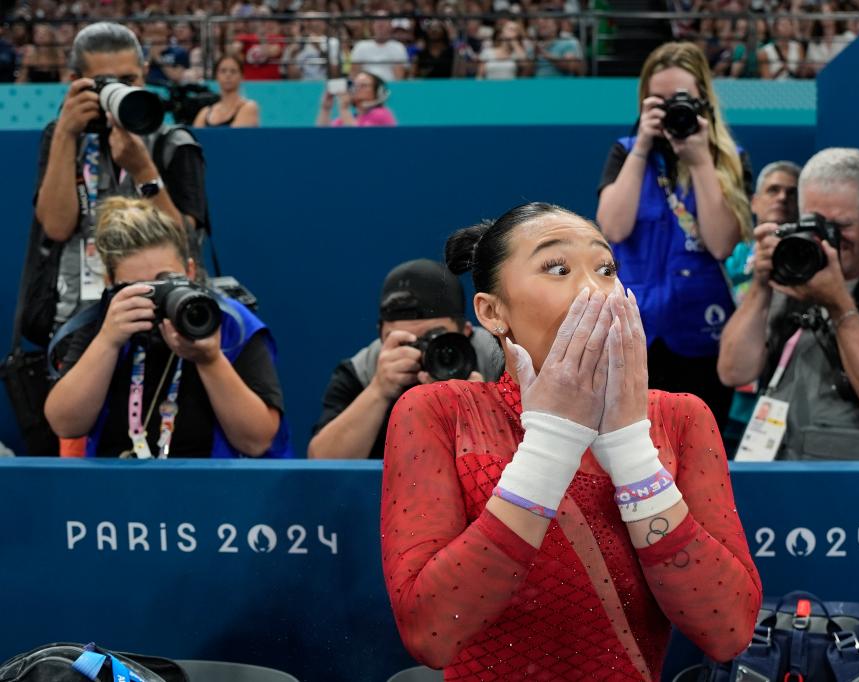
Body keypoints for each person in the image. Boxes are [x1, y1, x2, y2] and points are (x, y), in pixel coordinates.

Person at [381, 202, 761, 678]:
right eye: (557, 268)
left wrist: (630, 448)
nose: (593, 290)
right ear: (493, 312)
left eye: (606, 269)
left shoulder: (678, 418)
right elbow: (430, 631)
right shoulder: (441, 412)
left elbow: (727, 631)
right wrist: (554, 440)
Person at [717, 148, 859, 460]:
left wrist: (838, 302)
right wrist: (762, 286)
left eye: (843, 226)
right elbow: (733, 371)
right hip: (777, 473)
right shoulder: (794, 275)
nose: (829, 240)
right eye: (815, 225)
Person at [44, 197, 290, 459]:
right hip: (118, 489)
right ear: (110, 283)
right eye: (139, 288)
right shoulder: (104, 323)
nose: (156, 298)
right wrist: (108, 341)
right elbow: (65, 425)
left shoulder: (230, 323)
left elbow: (257, 441)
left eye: (166, 281)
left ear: (191, 271)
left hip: (215, 488)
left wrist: (210, 360)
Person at [23, 21, 209, 349]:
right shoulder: (62, 136)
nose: (116, 93)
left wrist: (143, 171)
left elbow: (186, 245)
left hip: (158, 322)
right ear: (74, 81)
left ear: (145, 71)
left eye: (128, 80)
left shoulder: (174, 144)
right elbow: (55, 226)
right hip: (75, 323)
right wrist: (67, 132)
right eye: (102, 83)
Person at [595, 42, 752, 430]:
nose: (669, 110)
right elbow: (612, 229)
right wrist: (643, 147)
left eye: (680, 99)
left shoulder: (728, 159)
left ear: (703, 101)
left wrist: (699, 161)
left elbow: (721, 244)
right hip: (635, 334)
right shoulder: (626, 151)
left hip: (702, 333)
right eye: (657, 101)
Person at [308, 259, 503, 460]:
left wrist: (482, 411)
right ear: (382, 336)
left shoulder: (499, 360)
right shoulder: (362, 371)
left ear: (466, 331)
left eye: (435, 339)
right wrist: (378, 391)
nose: (422, 353)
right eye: (406, 343)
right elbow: (322, 463)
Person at [721, 160, 800, 454]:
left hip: (786, 402)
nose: (782, 198)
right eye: (774, 190)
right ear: (754, 202)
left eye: (792, 193)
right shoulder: (731, 258)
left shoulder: (812, 262)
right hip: (734, 401)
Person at [193, 55, 260, 128]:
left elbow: (234, 136)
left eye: (233, 71)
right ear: (216, 76)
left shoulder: (249, 107)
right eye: (223, 71)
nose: (228, 75)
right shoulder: (205, 112)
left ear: (241, 76)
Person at [315, 70, 396, 127]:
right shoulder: (344, 119)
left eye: (364, 85)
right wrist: (325, 109)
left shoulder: (381, 114)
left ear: (378, 91)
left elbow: (357, 140)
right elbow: (323, 137)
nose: (357, 89)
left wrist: (344, 108)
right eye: (355, 85)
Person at [350, 9, 408, 81]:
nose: (381, 24)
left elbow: (399, 79)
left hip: (389, 88)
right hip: (366, 88)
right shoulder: (360, 46)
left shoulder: (398, 47)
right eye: (377, 21)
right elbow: (354, 75)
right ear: (372, 25)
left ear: (390, 25)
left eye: (384, 21)